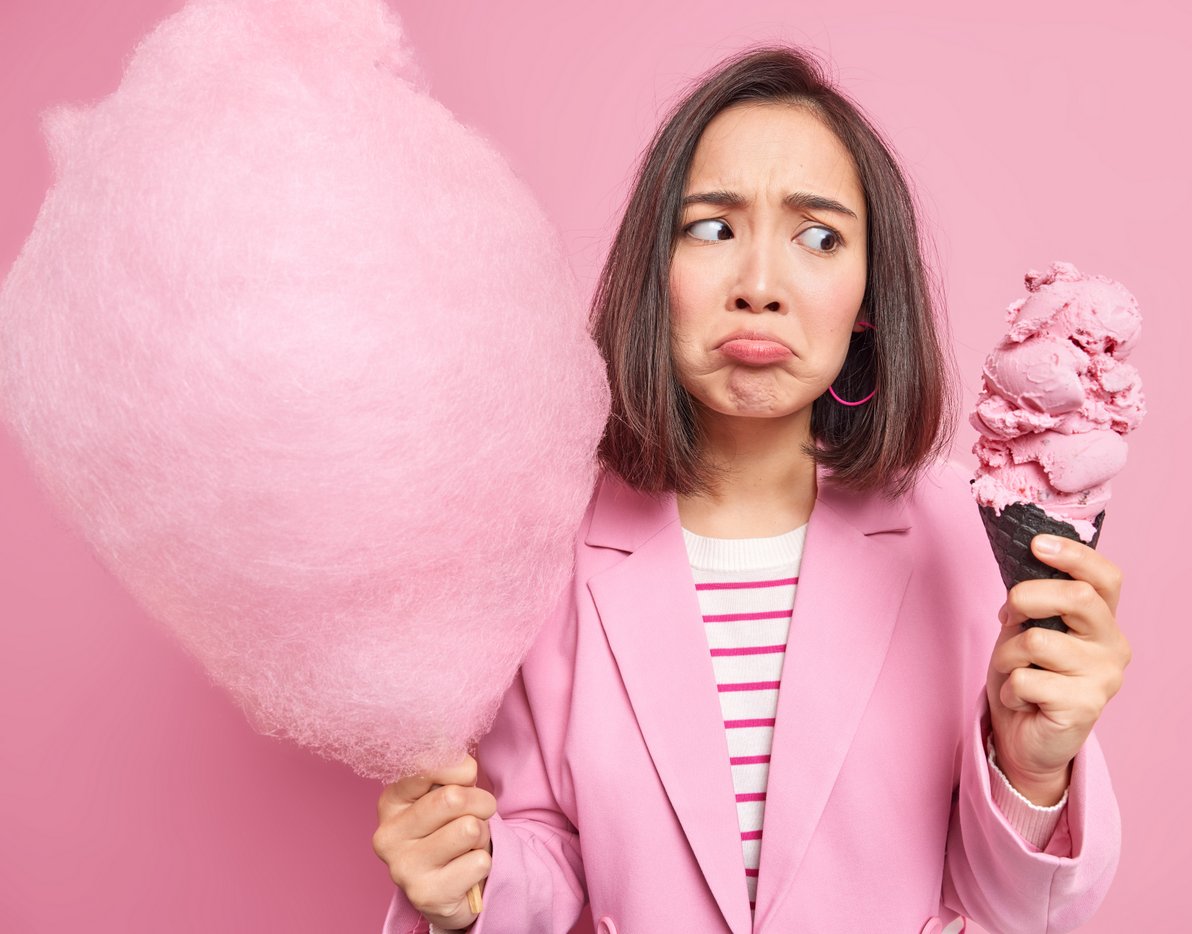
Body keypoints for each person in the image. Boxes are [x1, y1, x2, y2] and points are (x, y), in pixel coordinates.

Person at [372, 44, 1129, 934]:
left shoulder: (958, 531)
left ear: (868, 301)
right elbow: (545, 844)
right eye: (713, 228)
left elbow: (1020, 913)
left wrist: (1034, 772)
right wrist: (472, 881)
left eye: (818, 237)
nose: (760, 288)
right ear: (657, 274)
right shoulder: (547, 548)